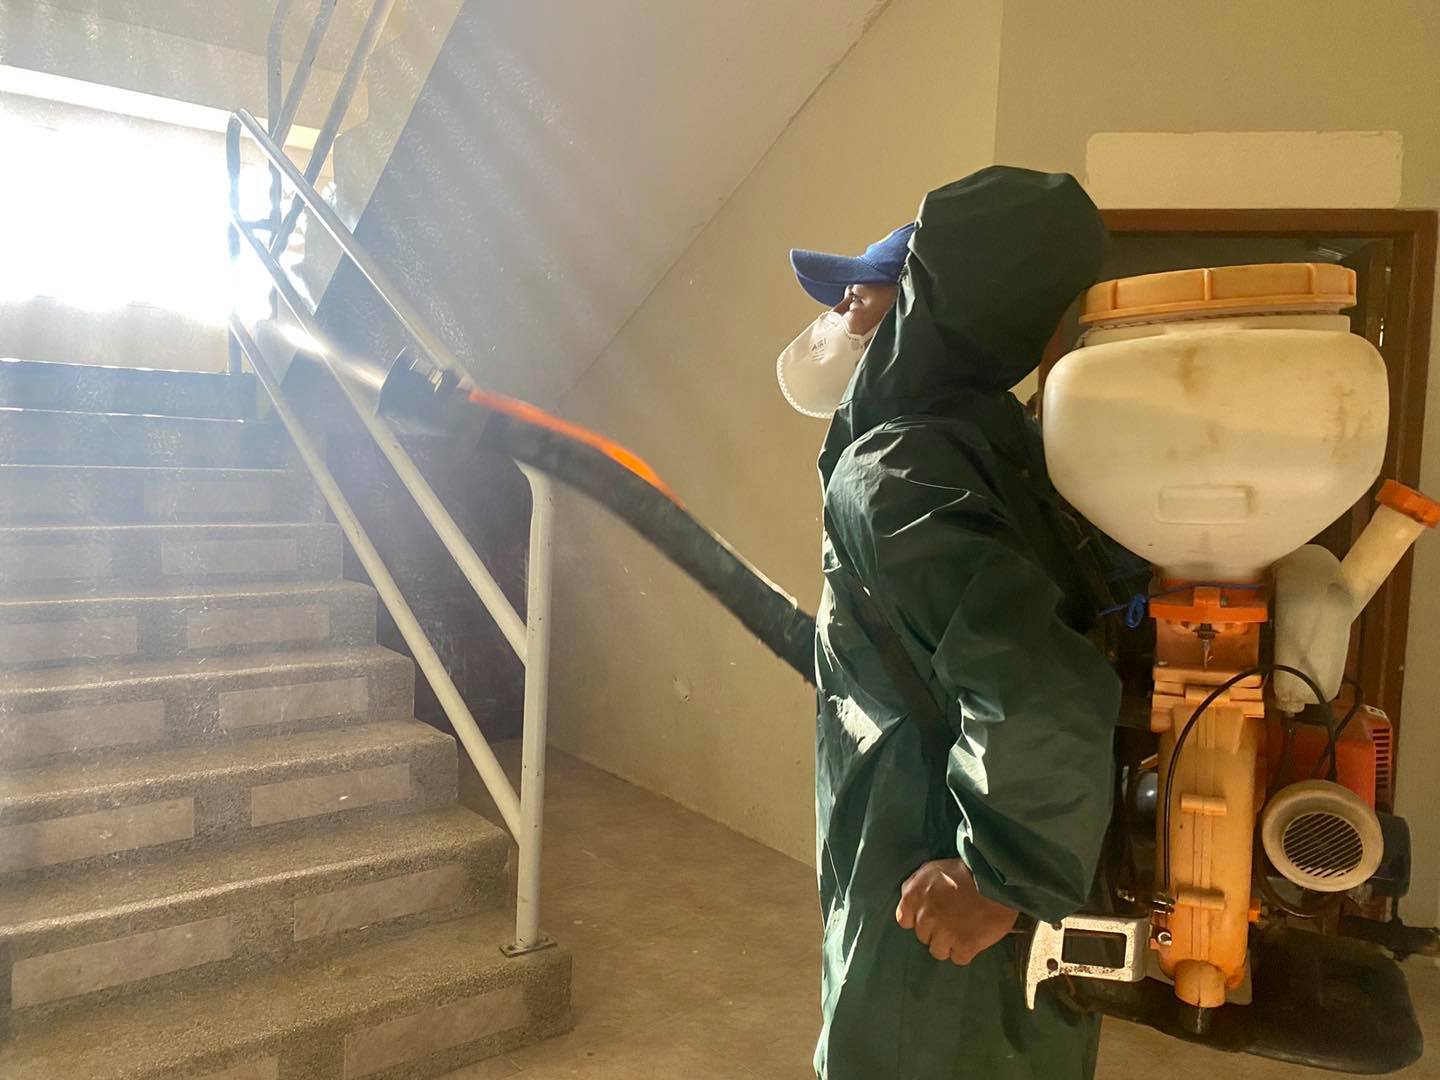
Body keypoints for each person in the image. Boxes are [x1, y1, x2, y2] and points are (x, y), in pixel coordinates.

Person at [781, 166, 1122, 1079]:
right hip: (967, 880)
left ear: (920, 307)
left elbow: (1035, 683)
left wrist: (1001, 874)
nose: (839, 318)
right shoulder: (997, 444)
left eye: (859, 295)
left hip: (932, 891)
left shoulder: (894, 473)